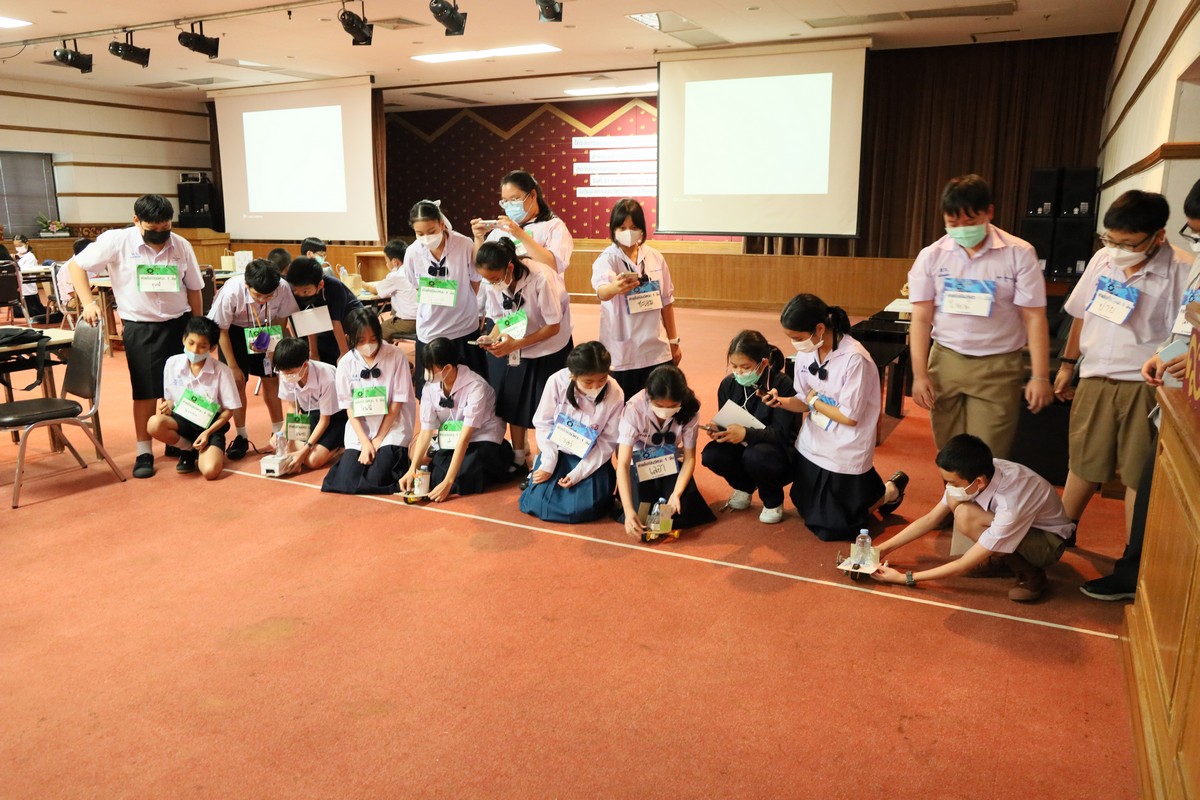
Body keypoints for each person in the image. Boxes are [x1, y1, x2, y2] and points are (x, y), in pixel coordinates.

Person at [1054, 189, 1190, 548]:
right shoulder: (1103, 259)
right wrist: (1067, 364)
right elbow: (1082, 314)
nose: (1117, 249)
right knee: (1083, 462)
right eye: (1110, 240)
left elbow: (1185, 334)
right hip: (1095, 375)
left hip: (1144, 385)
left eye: (1127, 243)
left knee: (1136, 473)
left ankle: (1132, 557)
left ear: (1158, 236)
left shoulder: (1183, 269)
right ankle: (1059, 536)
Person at [907, 174, 1053, 459]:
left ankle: (985, 491)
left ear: (989, 212)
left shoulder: (1018, 253)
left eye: (970, 222)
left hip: (997, 366)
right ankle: (953, 491)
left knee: (988, 455)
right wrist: (919, 374)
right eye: (953, 223)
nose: (962, 230)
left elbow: (1035, 317)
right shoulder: (931, 256)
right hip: (946, 361)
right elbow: (921, 318)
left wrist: (1040, 375)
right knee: (949, 452)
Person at [69, 193, 205, 478]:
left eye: (166, 227)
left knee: (184, 388)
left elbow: (194, 288)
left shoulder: (181, 245)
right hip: (141, 326)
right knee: (145, 391)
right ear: (136, 220)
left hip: (179, 324)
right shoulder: (117, 241)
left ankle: (179, 440)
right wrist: (89, 302)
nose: (161, 234)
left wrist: (197, 326)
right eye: (153, 228)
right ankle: (144, 451)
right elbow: (76, 266)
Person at [762, 294, 906, 541]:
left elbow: (849, 417)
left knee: (834, 529)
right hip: (813, 442)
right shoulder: (808, 352)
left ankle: (890, 491)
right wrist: (781, 401)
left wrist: (812, 400)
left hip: (844, 445)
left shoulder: (855, 358)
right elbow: (803, 399)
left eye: (797, 338)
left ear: (819, 329)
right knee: (804, 507)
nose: (795, 344)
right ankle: (869, 494)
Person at [871, 434, 1075, 602]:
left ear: (979, 482)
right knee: (959, 507)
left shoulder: (1011, 500)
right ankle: (1003, 558)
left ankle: (1030, 573)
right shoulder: (979, 471)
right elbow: (931, 519)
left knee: (966, 516)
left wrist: (905, 578)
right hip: (1023, 525)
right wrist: (881, 549)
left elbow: (964, 564)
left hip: (1047, 543)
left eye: (953, 483)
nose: (948, 487)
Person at [475, 238, 573, 471]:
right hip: (517, 343)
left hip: (550, 346)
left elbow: (553, 326)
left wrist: (517, 344)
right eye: (487, 280)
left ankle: (544, 459)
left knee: (546, 406)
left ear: (509, 267)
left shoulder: (542, 277)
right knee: (513, 399)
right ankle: (518, 456)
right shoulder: (492, 283)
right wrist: (492, 338)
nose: (492, 283)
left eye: (495, 278)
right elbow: (500, 319)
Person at [520, 341, 625, 523]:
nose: (596, 386)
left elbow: (607, 442)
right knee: (538, 502)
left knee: (584, 508)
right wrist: (549, 462)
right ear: (573, 376)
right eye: (588, 382)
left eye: (602, 379)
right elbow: (543, 423)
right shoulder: (556, 381)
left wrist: (579, 473)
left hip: (591, 457)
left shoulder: (615, 392)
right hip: (556, 452)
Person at [701, 330, 798, 524]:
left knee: (756, 456)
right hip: (741, 445)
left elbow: (780, 434)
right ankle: (744, 487)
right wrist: (719, 430)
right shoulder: (728, 384)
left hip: (775, 451)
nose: (739, 372)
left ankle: (772, 500)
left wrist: (746, 433)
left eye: (745, 367)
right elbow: (726, 419)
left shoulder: (782, 384)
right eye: (734, 366)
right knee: (711, 454)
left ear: (763, 363)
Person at [399, 337, 514, 500]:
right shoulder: (430, 387)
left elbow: (465, 438)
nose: (426, 374)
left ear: (446, 368)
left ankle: (502, 455)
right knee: (436, 476)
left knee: (460, 480)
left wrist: (448, 482)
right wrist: (412, 469)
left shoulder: (476, 387)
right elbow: (426, 431)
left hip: (481, 438)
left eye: (430, 369)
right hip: (452, 437)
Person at [207, 258, 300, 459]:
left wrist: (273, 347)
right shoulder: (231, 291)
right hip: (234, 333)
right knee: (238, 383)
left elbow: (282, 318)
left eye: (269, 296)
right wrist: (232, 366)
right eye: (258, 295)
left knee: (271, 379)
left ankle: (278, 432)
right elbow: (221, 329)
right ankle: (241, 436)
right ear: (246, 284)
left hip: (267, 330)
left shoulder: (282, 287)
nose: (263, 300)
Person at [590, 198, 682, 397]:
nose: (628, 232)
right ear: (613, 229)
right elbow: (601, 291)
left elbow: (667, 303)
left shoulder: (655, 257)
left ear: (642, 229)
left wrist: (673, 342)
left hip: (656, 350)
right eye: (622, 227)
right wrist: (614, 287)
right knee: (624, 407)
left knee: (659, 401)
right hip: (623, 353)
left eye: (633, 227)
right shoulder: (607, 259)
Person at [321, 308, 416, 494]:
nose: (368, 345)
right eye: (361, 340)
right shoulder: (346, 363)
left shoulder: (396, 355)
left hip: (392, 427)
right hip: (362, 428)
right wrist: (365, 442)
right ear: (350, 338)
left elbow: (397, 403)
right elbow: (349, 407)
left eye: (373, 339)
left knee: (378, 477)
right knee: (347, 480)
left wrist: (379, 438)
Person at [616, 364, 716, 539]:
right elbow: (622, 464)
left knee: (680, 508)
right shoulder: (634, 408)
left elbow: (689, 458)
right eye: (659, 405)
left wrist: (676, 494)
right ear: (648, 396)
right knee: (641, 516)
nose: (665, 412)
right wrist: (628, 510)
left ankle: (665, 513)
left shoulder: (690, 410)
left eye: (673, 406)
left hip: (670, 461)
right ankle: (639, 512)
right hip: (639, 463)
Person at [404, 199, 487, 393]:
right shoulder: (412, 253)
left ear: (442, 224)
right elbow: (416, 286)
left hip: (463, 328)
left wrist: (463, 304)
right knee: (432, 389)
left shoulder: (463, 244)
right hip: (430, 330)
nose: (426, 238)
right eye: (420, 233)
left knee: (472, 388)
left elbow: (475, 279)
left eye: (431, 231)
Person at [146, 316, 239, 480]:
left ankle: (205, 448)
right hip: (182, 420)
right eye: (191, 343)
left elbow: (229, 411)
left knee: (210, 472)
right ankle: (187, 449)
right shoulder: (172, 363)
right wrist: (168, 405)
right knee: (154, 423)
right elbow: (169, 399)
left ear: (212, 347)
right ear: (184, 339)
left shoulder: (222, 371)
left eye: (202, 346)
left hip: (210, 425)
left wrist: (207, 433)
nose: (195, 350)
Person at [471, 169, 574, 275]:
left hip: (543, 285)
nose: (510, 205)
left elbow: (554, 266)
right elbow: (481, 267)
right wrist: (479, 238)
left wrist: (519, 234)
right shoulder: (502, 228)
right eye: (505, 201)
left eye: (515, 199)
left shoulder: (553, 226)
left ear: (533, 195)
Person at [269, 336, 346, 474]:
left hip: (336, 417)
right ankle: (319, 448)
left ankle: (339, 447)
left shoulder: (327, 377)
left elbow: (325, 420)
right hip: (309, 415)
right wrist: (281, 433)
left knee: (312, 461)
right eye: (282, 372)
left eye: (290, 372)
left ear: (305, 365)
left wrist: (304, 451)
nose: (286, 376)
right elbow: (292, 407)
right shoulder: (286, 374)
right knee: (290, 448)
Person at [285, 256, 364, 365]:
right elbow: (309, 319)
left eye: (305, 291)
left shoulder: (334, 286)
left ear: (320, 285)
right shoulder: (298, 292)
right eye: (295, 290)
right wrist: (313, 353)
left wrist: (344, 353)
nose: (300, 295)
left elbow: (335, 322)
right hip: (325, 326)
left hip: (351, 323)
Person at [363, 238, 418, 341]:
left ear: (394, 262)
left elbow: (375, 290)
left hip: (409, 321)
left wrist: (361, 283)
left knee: (377, 331)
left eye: (386, 260)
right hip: (422, 319)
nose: (386, 264)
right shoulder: (413, 269)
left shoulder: (396, 276)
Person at [11, 233, 52, 320]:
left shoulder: (30, 256)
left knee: (32, 310)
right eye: (16, 246)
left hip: (27, 284)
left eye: (20, 245)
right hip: (17, 285)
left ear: (26, 243)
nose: (18, 248)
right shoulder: (16, 256)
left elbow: (25, 270)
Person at [56, 237, 92, 316]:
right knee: (104, 300)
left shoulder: (90, 263)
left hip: (91, 294)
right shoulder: (68, 267)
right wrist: (95, 290)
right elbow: (72, 293)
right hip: (73, 300)